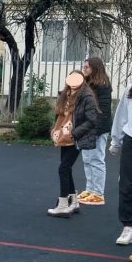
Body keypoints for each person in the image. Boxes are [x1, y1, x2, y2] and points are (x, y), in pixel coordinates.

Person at [47, 70, 99, 217]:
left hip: (75, 137)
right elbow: (59, 116)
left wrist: (75, 133)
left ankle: (63, 205)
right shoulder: (65, 94)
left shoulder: (87, 97)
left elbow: (92, 120)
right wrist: (54, 129)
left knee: (63, 169)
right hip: (64, 137)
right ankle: (74, 201)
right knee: (66, 168)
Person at [109, 55, 132, 249]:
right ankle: (128, 228)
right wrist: (116, 141)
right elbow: (121, 117)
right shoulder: (129, 91)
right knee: (127, 186)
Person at [78, 56, 112, 207]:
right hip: (87, 127)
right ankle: (90, 189)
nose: (84, 69)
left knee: (97, 159)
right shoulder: (87, 84)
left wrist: (96, 130)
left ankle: (98, 193)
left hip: (97, 129)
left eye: (87, 67)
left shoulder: (103, 86)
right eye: (84, 66)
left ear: (94, 68)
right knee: (87, 159)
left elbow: (104, 111)